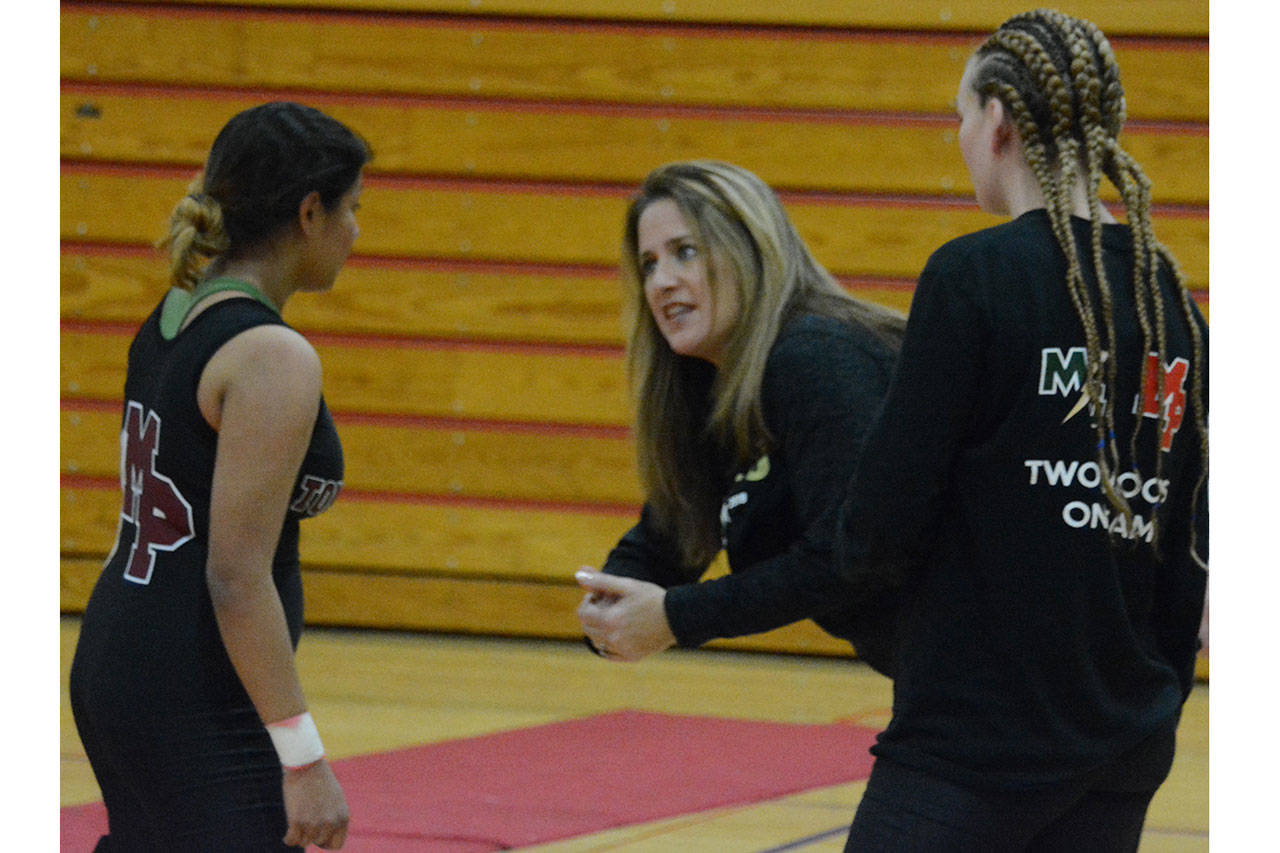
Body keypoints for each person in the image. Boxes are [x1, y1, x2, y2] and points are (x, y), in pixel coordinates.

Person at [833, 10, 1208, 851]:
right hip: (1119, 748)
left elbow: (880, 523)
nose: (957, 138)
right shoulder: (1176, 311)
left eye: (961, 116)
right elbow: (1187, 555)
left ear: (998, 119)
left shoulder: (973, 277)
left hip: (971, 742)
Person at [69, 101, 371, 851]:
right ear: (309, 212)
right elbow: (235, 574)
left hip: (122, 655)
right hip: (192, 685)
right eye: (352, 209)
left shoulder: (173, 317)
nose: (356, 231)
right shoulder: (273, 354)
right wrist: (303, 758)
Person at [574, 160, 906, 673]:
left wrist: (675, 617)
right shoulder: (720, 383)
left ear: (749, 250)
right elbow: (676, 529)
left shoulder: (817, 357)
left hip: (1003, 664)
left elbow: (846, 559)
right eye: (648, 265)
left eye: (685, 252)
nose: (661, 282)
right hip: (938, 673)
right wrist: (614, 597)